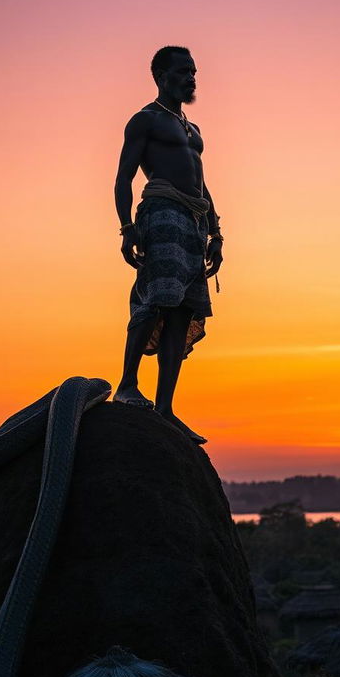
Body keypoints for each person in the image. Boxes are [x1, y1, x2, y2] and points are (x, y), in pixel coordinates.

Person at [113, 46, 223, 444]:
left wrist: (216, 231)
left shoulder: (193, 130)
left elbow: (202, 183)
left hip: (194, 221)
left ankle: (165, 408)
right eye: (182, 71)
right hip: (161, 212)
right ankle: (127, 384)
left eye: (194, 71)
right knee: (156, 299)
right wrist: (127, 228)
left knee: (184, 310)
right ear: (160, 75)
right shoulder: (145, 120)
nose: (191, 78)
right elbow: (124, 177)